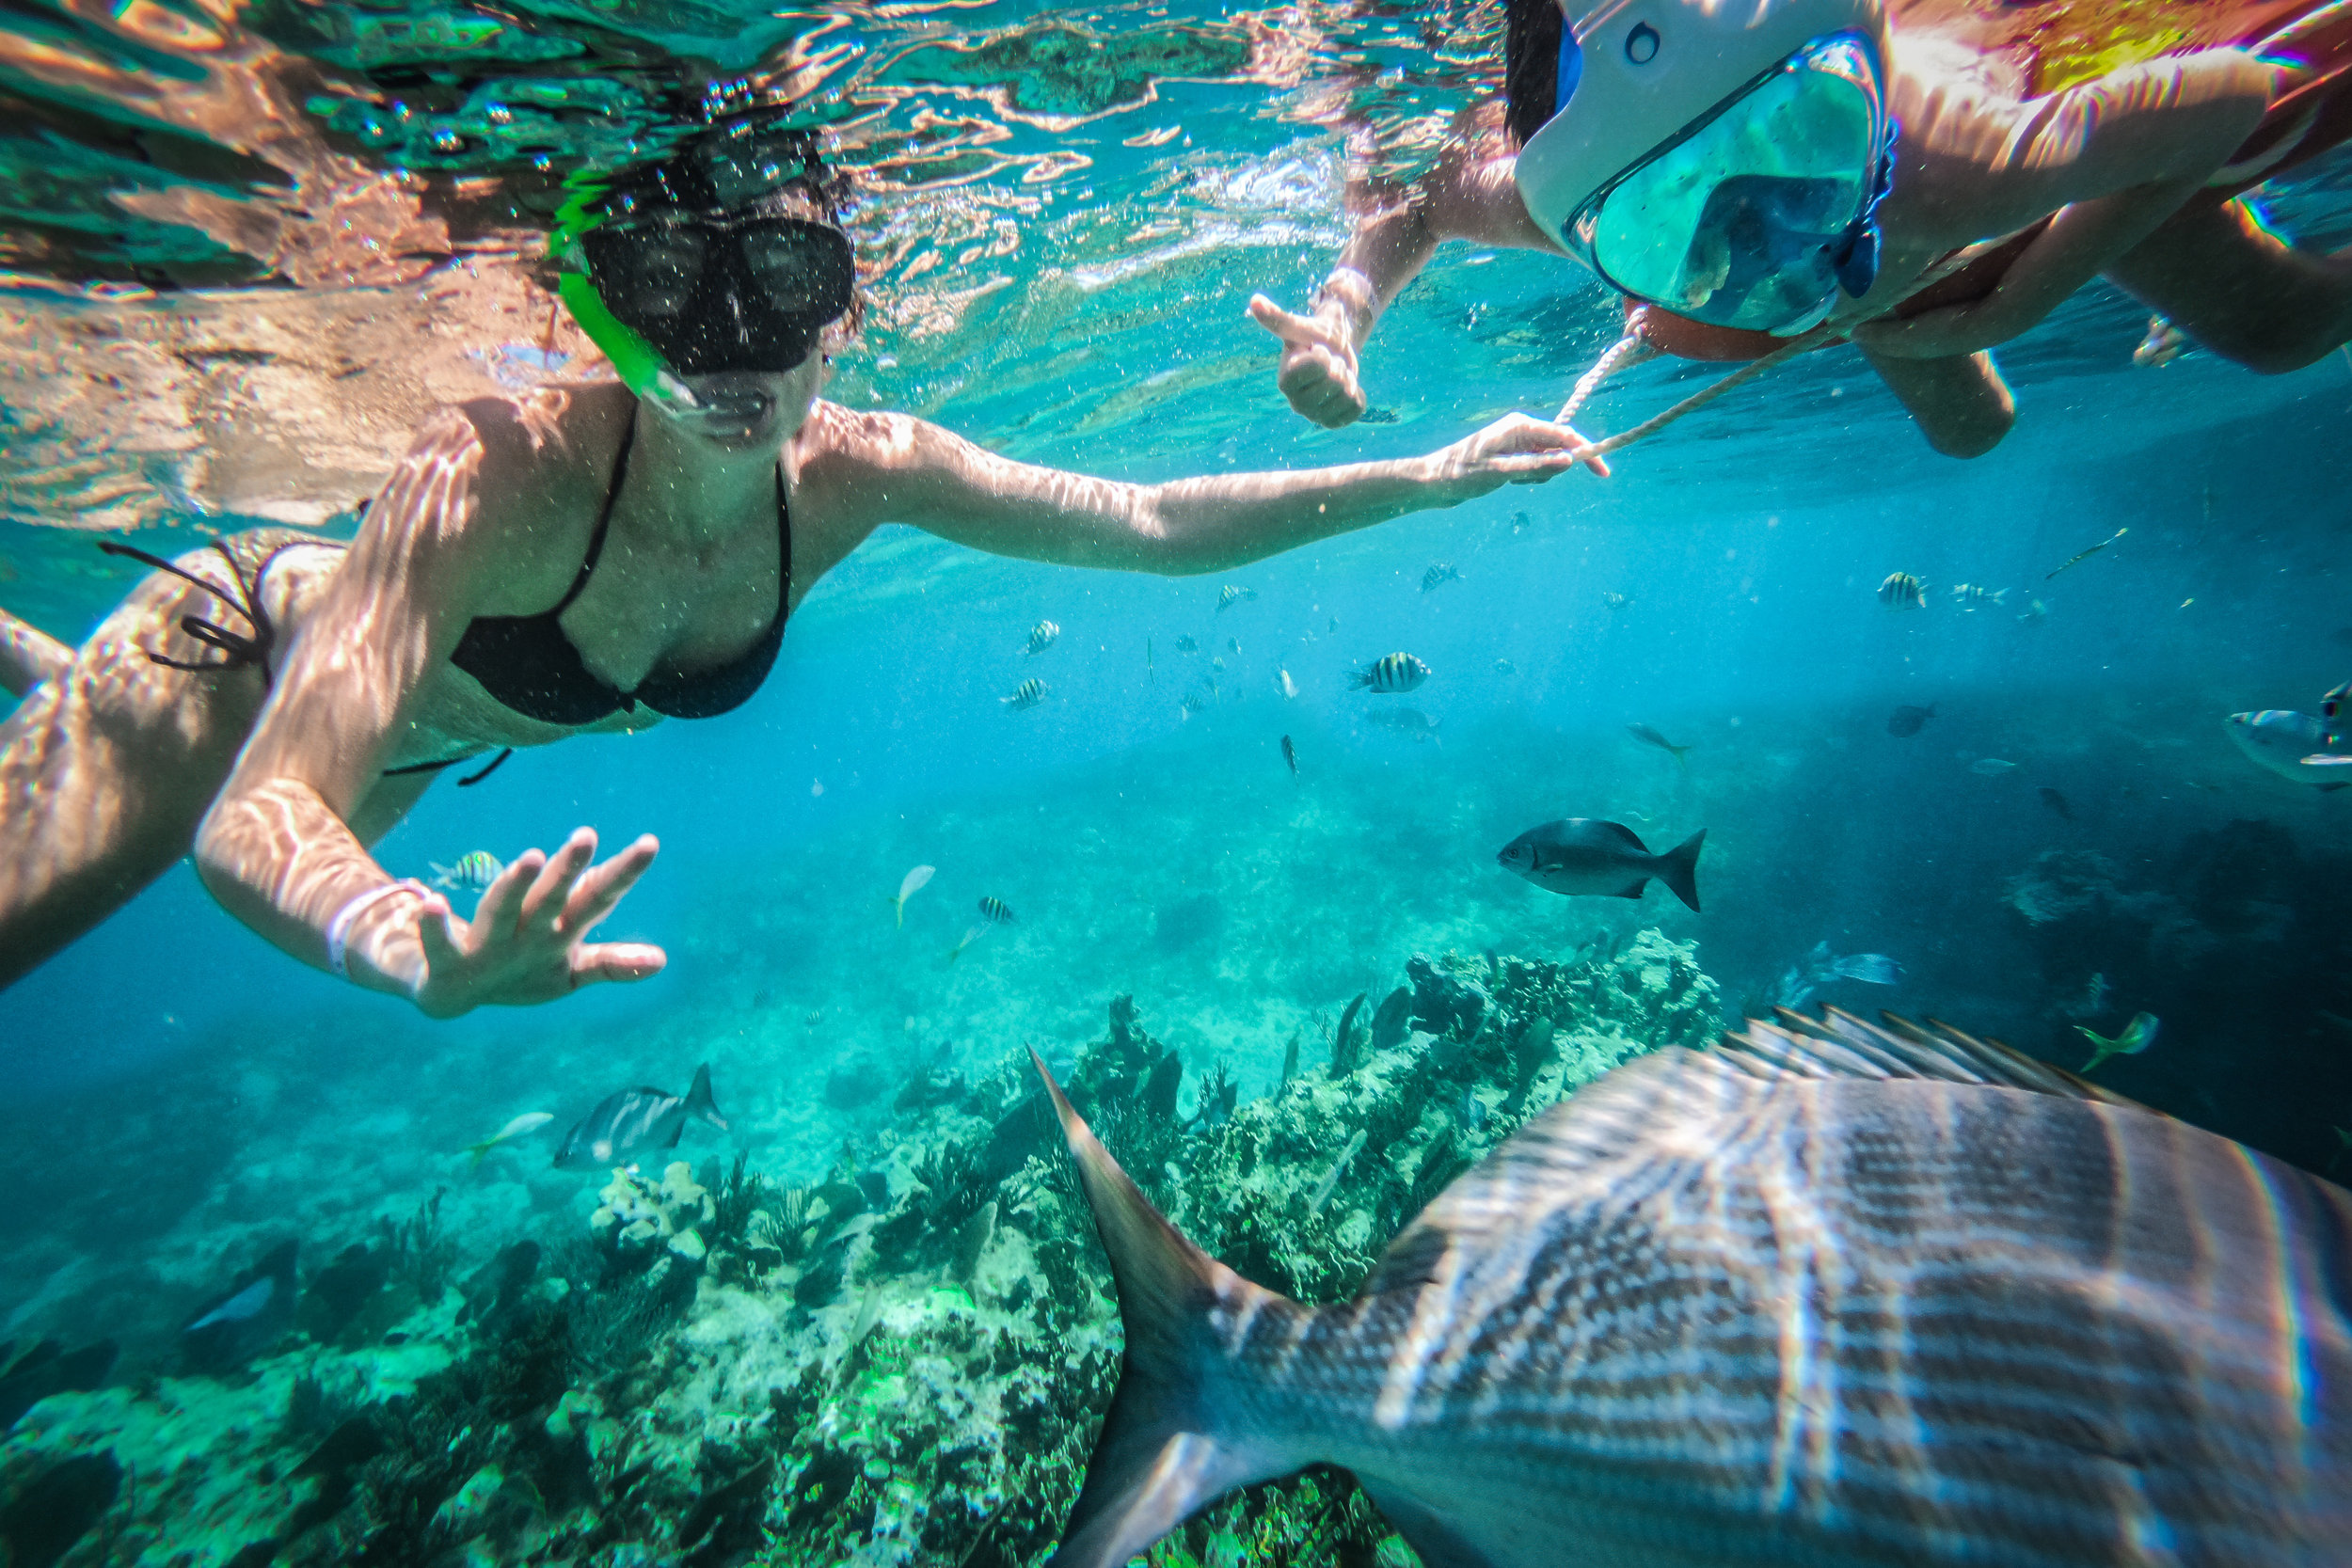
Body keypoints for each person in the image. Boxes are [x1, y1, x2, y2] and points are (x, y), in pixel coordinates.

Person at [0, 116, 1605, 1010]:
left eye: (784, 277)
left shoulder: (863, 475)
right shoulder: (483, 471)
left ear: (848, 301)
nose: (732, 348)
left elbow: (1150, 524)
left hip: (428, 743)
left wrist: (1432, 472)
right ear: (592, 308)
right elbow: (257, 818)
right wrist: (409, 946)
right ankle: (59, 678)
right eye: (662, 287)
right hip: (219, 678)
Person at [1252, 0, 2352, 457]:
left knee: (2282, 328)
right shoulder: (1567, 201)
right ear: (1585, 218)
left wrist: (2032, 289)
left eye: (1794, 143)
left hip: (1924, 221)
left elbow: (2226, 100)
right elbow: (1415, 202)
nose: (1752, 238)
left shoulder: (1961, 162)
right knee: (1970, 431)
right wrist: (1341, 320)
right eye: (1669, 216)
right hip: (1887, 253)